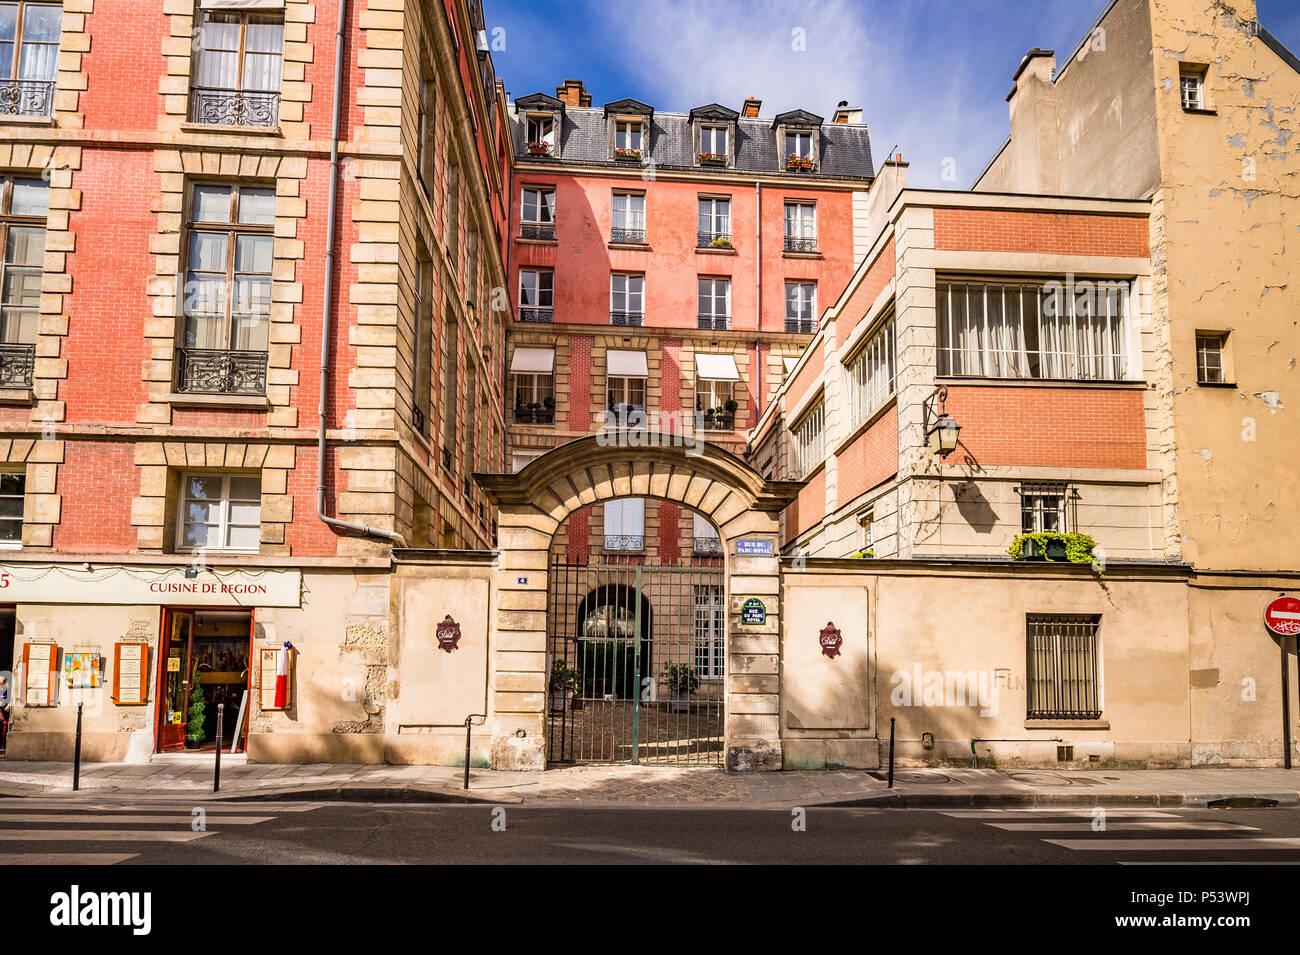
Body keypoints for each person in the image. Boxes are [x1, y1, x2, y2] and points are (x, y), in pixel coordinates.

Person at [0, 675, 10, 749]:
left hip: (4, 712)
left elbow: (12, 699)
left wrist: (9, 705)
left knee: (3, 728)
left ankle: (2, 744)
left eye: (1, 683)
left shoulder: (7, 691)